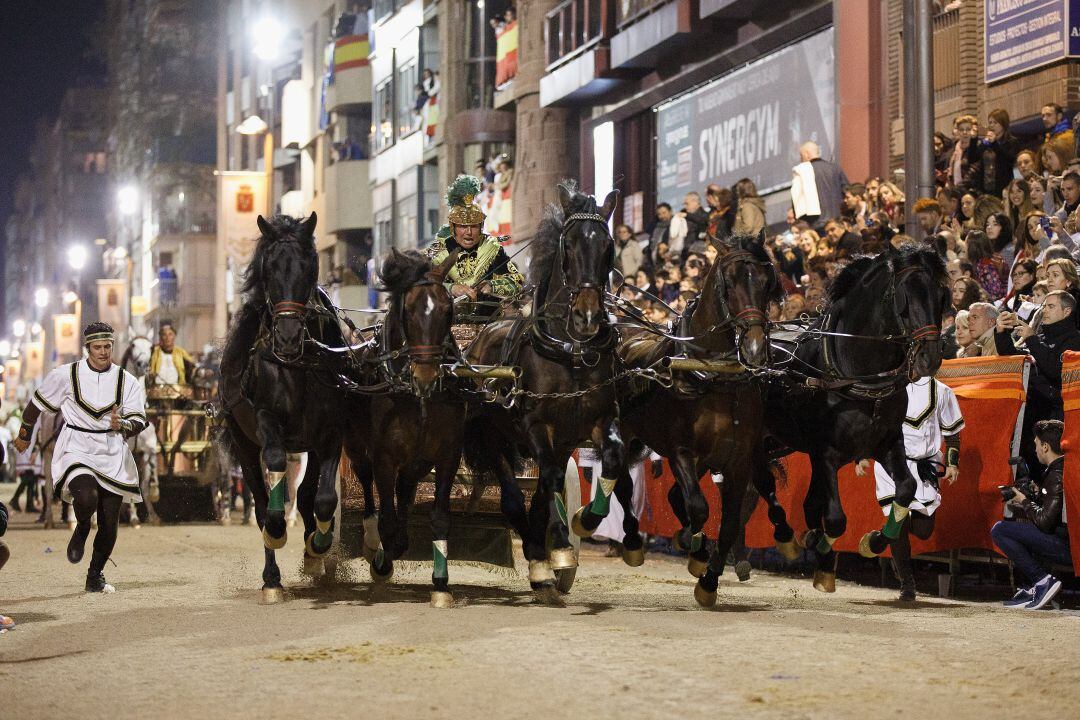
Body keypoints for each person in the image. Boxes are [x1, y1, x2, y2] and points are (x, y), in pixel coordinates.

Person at [13, 322, 148, 593]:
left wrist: (122, 424)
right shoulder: (66, 375)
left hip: (112, 450)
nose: (103, 352)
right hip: (77, 445)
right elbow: (35, 405)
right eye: (97, 347)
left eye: (107, 346)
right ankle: (83, 525)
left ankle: (95, 575)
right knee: (86, 498)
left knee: (110, 521)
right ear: (87, 348)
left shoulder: (127, 380)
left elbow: (139, 420)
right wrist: (25, 434)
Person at [857, 375, 964, 601]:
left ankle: (883, 537)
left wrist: (953, 463)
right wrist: (861, 455)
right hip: (893, 464)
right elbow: (870, 424)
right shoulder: (889, 388)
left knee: (924, 530)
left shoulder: (942, 391)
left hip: (926, 466)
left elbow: (953, 433)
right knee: (900, 521)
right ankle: (908, 584)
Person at [991, 420, 1071, 610]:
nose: (1035, 450)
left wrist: (1024, 501)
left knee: (1000, 530)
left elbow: (1045, 522)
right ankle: (1035, 585)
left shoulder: (1057, 473)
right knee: (1020, 532)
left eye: (1036, 445)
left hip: (1065, 546)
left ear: (1045, 446)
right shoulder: (1059, 469)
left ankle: (1042, 580)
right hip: (1063, 541)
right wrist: (1036, 494)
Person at [426, 174, 524, 305]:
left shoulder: (493, 248)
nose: (469, 232)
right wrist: (451, 288)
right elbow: (421, 284)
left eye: (474, 226)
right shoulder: (438, 251)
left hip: (489, 317)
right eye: (463, 226)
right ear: (453, 227)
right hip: (446, 316)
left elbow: (517, 282)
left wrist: (492, 285)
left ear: (481, 227)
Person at [790, 140, 849, 229]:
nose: (800, 160)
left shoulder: (801, 171)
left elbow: (797, 198)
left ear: (806, 154)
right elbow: (847, 191)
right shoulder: (835, 168)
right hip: (838, 222)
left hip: (815, 223)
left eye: (801, 156)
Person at [966, 108, 1018, 197]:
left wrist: (994, 143)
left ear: (1003, 124)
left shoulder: (1011, 141)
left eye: (995, 122)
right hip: (986, 187)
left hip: (1003, 187)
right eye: (990, 122)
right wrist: (973, 140)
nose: (992, 125)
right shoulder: (986, 142)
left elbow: (1008, 160)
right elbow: (972, 158)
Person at [148, 320, 195, 386]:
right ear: (160, 337)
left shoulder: (181, 353)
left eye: (170, 334)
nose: (167, 338)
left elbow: (192, 368)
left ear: (174, 336)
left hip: (177, 389)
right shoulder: (153, 352)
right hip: (157, 388)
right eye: (164, 335)